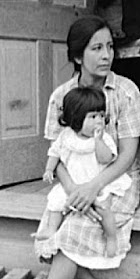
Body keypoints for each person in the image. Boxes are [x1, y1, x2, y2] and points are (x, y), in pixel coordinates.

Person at [0, 15, 140, 279]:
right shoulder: (61, 97)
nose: (106, 55)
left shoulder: (125, 91)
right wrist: (73, 191)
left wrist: (92, 187)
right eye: (96, 48)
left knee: (68, 238)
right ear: (79, 56)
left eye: (109, 47)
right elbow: (59, 156)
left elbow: (127, 154)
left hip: (116, 179)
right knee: (51, 232)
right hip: (74, 180)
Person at [36, 86, 132, 258]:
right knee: (55, 203)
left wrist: (98, 141)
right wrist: (49, 169)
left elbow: (106, 158)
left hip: (96, 181)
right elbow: (55, 152)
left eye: (102, 115)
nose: (99, 121)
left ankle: (111, 237)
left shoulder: (103, 139)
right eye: (93, 116)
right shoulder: (66, 136)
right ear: (76, 118)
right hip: (74, 182)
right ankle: (51, 229)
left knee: (104, 208)